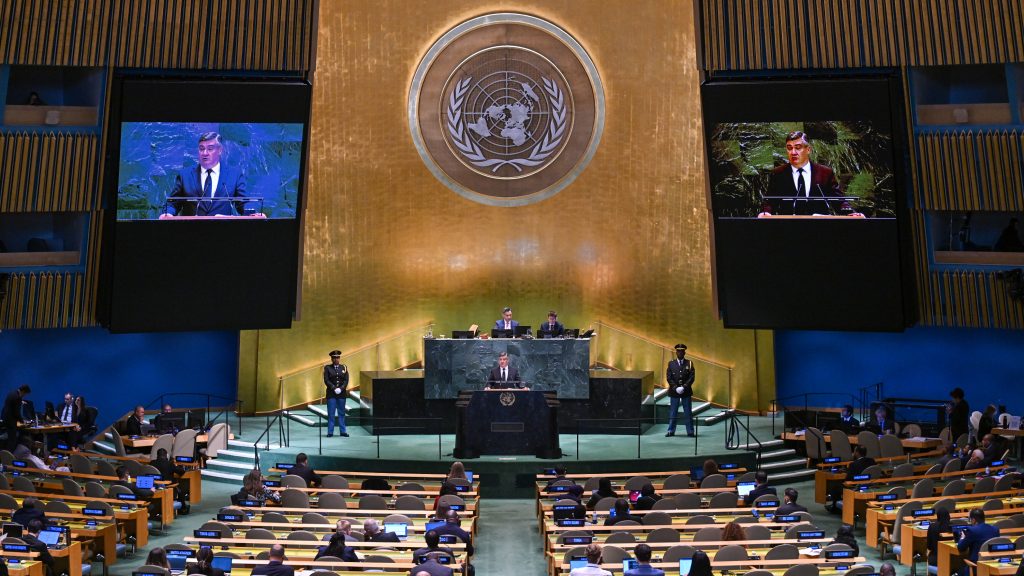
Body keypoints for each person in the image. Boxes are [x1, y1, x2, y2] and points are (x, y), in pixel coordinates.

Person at [165, 132, 248, 217]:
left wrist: (251, 213)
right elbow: (172, 204)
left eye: (210, 149)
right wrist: (168, 213)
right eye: (201, 149)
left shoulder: (234, 175)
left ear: (220, 150)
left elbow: (244, 203)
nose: (205, 153)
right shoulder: (185, 175)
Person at [765, 131, 843, 216]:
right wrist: (765, 212)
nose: (793, 152)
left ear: (808, 149)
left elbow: (839, 200)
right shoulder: (778, 173)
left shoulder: (825, 172)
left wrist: (849, 212)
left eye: (798, 147)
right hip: (789, 223)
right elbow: (769, 201)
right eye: (789, 148)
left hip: (819, 223)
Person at [828, 445, 876, 512]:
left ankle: (835, 507)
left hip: (856, 487)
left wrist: (845, 473)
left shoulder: (853, 464)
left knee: (835, 487)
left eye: (854, 452)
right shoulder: (872, 461)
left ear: (857, 453)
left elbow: (848, 479)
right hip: (870, 485)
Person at [957, 508, 1000, 576]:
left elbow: (960, 548)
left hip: (976, 566)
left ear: (973, 520)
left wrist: (962, 537)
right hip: (992, 564)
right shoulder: (995, 529)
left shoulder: (971, 530)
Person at [665, 343, 695, 437]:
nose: (680, 353)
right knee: (673, 412)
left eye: (682, 351)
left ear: (684, 352)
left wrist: (684, 387)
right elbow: (669, 377)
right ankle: (671, 431)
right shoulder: (671, 363)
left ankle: (690, 431)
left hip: (686, 391)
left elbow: (692, 377)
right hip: (674, 391)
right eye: (678, 351)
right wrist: (675, 387)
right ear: (676, 352)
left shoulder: (689, 363)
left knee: (688, 412)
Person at [323, 350, 349, 438]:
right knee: (331, 413)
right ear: (331, 359)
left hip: (341, 393)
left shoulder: (344, 367)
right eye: (334, 358)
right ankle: (330, 432)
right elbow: (326, 380)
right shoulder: (327, 368)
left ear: (339, 358)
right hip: (331, 394)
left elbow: (346, 380)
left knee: (341, 413)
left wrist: (341, 388)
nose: (336, 359)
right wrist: (334, 388)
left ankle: (343, 431)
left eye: (337, 357)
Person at [3, 385, 31, 450]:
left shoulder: (12, 393)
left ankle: (7, 454)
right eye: (25, 394)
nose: (24, 395)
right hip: (11, 421)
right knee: (12, 441)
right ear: (23, 391)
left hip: (6, 419)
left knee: (10, 439)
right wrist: (23, 421)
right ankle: (10, 455)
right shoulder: (18, 398)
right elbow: (16, 413)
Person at [926, 507, 951, 571]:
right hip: (951, 558)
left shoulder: (932, 526)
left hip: (936, 558)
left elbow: (929, 546)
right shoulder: (952, 526)